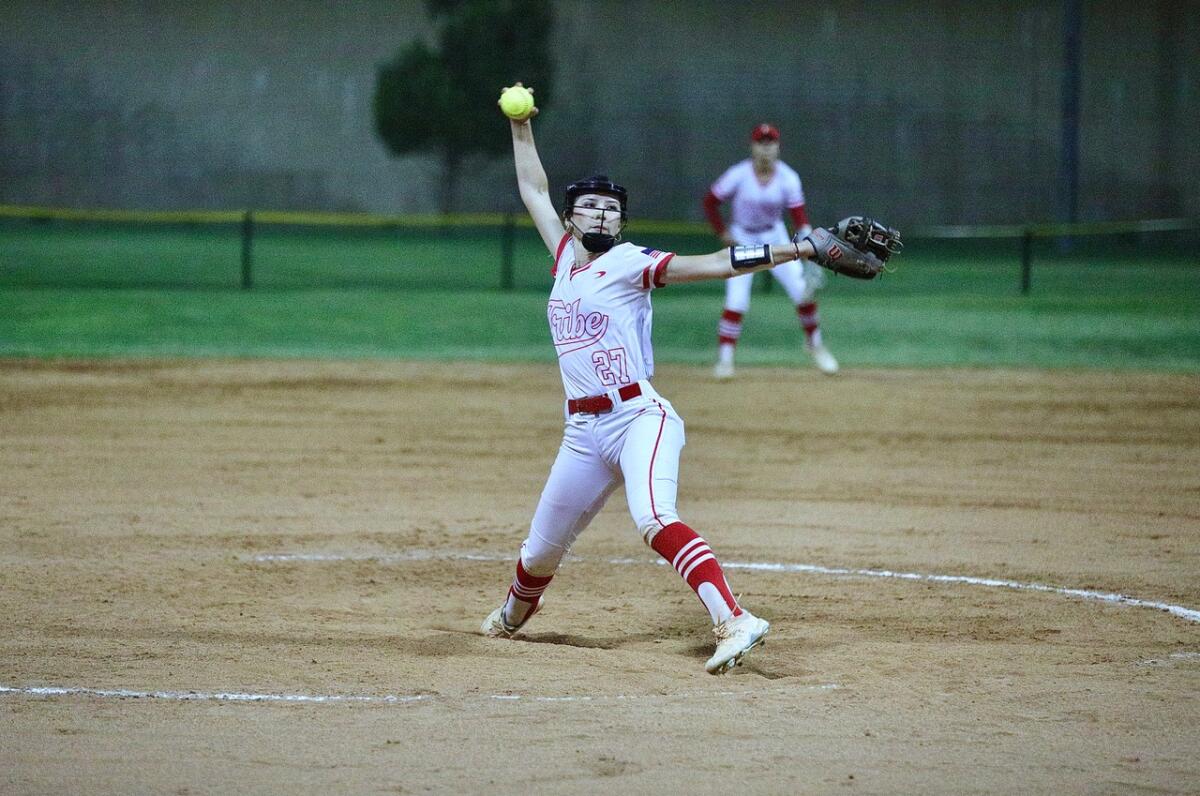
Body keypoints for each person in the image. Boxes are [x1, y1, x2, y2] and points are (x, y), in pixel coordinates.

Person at [480, 85, 879, 674]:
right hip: (582, 430)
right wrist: (521, 127)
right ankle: (510, 620)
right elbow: (532, 187)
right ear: (570, 220)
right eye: (590, 206)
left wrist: (797, 248)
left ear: (621, 224)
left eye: (612, 208)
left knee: (653, 517)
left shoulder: (631, 262)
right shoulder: (564, 256)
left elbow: (717, 263)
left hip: (640, 417)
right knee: (539, 549)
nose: (602, 213)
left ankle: (735, 619)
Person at [703, 123, 839, 378]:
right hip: (743, 239)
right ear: (752, 147)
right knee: (736, 300)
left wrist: (809, 246)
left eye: (770, 143)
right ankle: (725, 360)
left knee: (803, 293)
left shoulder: (788, 177)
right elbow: (710, 202)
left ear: (778, 148)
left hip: (775, 237)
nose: (766, 149)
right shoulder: (738, 174)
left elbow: (800, 218)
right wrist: (723, 233)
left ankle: (815, 345)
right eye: (761, 143)